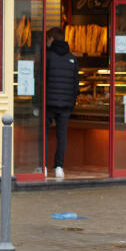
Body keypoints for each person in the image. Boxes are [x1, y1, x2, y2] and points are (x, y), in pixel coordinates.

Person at [45, 27, 79, 179]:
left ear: (51, 39)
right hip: (65, 106)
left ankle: (43, 167)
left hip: (48, 103)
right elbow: (75, 85)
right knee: (62, 136)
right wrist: (71, 103)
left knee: (43, 135)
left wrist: (37, 102)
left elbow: (41, 80)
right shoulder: (72, 58)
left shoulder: (48, 57)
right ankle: (59, 167)